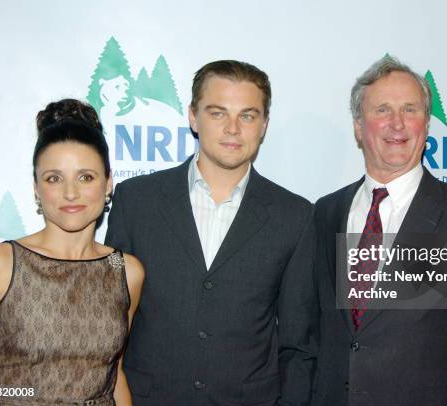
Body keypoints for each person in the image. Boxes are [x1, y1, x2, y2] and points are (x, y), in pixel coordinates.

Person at [105, 60, 317, 405]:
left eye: (247, 115)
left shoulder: (295, 215)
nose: (233, 128)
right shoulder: (136, 201)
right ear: (193, 116)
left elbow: (299, 342)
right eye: (218, 113)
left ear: (263, 125)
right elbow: (108, 319)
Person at [312, 55, 447, 405]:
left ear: (427, 125)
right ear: (358, 126)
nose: (397, 124)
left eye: (410, 110)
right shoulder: (326, 212)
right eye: (382, 109)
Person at [0, 99, 144, 405]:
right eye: (54, 178)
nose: (70, 193)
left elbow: (113, 374)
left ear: (108, 183)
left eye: (86, 177)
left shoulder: (126, 271)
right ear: (37, 189)